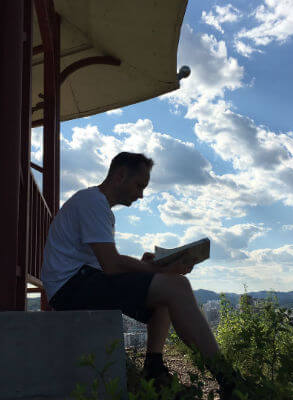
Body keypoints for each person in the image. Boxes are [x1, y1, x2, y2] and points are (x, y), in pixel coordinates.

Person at [41, 152, 247, 399]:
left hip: (78, 282)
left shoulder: (92, 203)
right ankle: (231, 382)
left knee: (165, 292)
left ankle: (154, 368)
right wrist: (159, 270)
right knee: (176, 286)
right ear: (120, 175)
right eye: (139, 185)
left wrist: (148, 268)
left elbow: (105, 264)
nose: (141, 195)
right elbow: (112, 265)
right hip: (71, 288)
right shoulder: (93, 202)